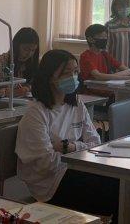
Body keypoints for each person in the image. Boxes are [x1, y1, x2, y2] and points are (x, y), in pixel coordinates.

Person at [15, 49, 119, 220]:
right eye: (66, 73)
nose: (73, 77)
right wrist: (79, 152)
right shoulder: (36, 113)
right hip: (49, 185)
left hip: (73, 168)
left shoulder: (76, 104)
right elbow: (46, 164)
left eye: (76, 72)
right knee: (113, 189)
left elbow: (96, 143)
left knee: (120, 182)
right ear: (50, 77)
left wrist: (69, 147)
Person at [0, 27, 39, 99]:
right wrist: (8, 92)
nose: (29, 54)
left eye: (33, 50)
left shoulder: (30, 64)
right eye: (26, 49)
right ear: (16, 46)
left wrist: (28, 88)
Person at [79, 23, 130, 99]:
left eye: (105, 37)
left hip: (108, 92)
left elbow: (128, 70)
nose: (104, 39)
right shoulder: (86, 56)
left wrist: (111, 76)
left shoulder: (104, 54)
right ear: (90, 39)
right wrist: (125, 78)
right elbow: (98, 76)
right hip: (92, 95)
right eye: (101, 37)